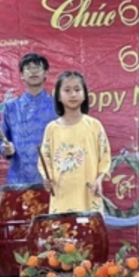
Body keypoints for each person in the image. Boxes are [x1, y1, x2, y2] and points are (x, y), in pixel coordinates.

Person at [38, 72, 112, 213]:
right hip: (62, 196)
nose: (73, 94)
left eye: (77, 90)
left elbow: (105, 157)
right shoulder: (52, 129)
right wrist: (47, 179)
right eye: (67, 90)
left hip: (89, 195)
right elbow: (44, 160)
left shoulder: (94, 125)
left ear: (84, 94)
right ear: (58, 96)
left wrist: (99, 179)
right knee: (62, 233)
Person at [0, 53, 57, 185]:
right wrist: (6, 149)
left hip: (51, 179)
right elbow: (1, 141)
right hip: (18, 178)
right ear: (21, 75)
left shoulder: (57, 106)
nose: (33, 71)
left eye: (37, 67)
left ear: (46, 73)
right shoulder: (11, 107)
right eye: (28, 68)